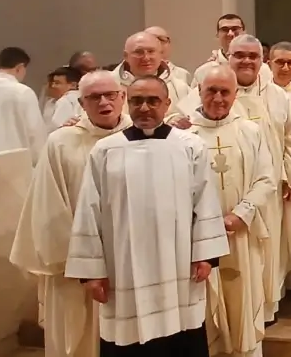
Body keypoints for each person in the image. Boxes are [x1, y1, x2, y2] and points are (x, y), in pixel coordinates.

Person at [64, 76, 229, 356]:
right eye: (137, 101)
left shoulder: (190, 146)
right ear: (127, 103)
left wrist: (206, 255)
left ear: (167, 104)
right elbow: (88, 210)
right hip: (124, 268)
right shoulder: (106, 150)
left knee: (182, 336)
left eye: (153, 100)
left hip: (178, 265)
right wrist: (92, 272)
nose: (144, 108)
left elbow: (205, 200)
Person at [183, 34, 291, 319]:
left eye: (252, 56)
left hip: (266, 191)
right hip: (217, 198)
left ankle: (264, 309)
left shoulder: (276, 95)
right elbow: (177, 124)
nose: (246, 61)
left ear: (262, 60)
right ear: (228, 57)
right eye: (239, 55)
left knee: (266, 251)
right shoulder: (205, 90)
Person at [9, 70, 130, 357]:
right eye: (93, 97)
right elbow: (49, 209)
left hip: (129, 264)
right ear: (81, 102)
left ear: (123, 97)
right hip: (75, 271)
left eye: (110, 95)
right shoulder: (61, 142)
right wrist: (84, 267)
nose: (104, 102)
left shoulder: (139, 139)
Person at [186, 66, 275, 357]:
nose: (218, 98)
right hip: (198, 240)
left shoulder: (249, 131)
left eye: (225, 91)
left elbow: (266, 179)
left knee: (241, 304)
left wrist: (240, 214)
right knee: (205, 307)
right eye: (211, 90)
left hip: (240, 234)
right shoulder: (184, 136)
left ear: (236, 95)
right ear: (199, 91)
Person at [112, 32, 191, 116]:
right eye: (139, 52)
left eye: (151, 51)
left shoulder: (180, 88)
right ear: (126, 56)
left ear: (160, 54)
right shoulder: (109, 85)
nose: (146, 58)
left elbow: (194, 119)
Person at [192, 14, 274, 88]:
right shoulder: (204, 71)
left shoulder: (263, 69)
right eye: (225, 29)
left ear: (244, 32)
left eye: (235, 29)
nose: (230, 34)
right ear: (217, 34)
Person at [45, 67, 84, 131]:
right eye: (53, 83)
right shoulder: (51, 102)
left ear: (73, 85)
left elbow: (57, 126)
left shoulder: (67, 99)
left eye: (57, 83)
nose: (53, 86)